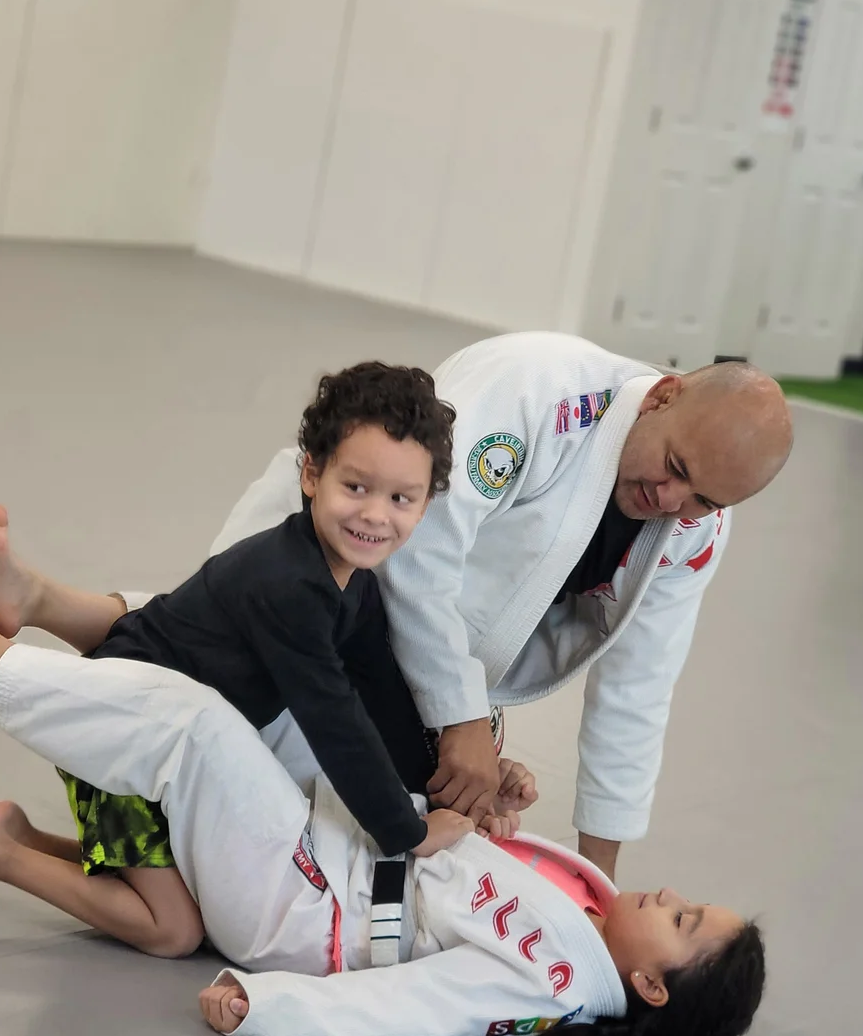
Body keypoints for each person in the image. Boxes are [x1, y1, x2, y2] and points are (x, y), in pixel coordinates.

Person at [0, 557, 764, 1036]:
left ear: (647, 986)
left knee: (196, 729)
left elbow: (413, 1004)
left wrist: (273, 1009)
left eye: (684, 923)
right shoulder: (580, 905)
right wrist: (496, 804)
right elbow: (461, 881)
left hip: (309, 910)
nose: (667, 898)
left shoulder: (558, 979)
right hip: (333, 841)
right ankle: (44, 607)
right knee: (280, 661)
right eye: (690, 902)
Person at [0, 361, 535, 957]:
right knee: (172, 930)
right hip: (118, 744)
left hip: (169, 754)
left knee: (195, 900)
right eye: (356, 487)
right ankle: (2, 852)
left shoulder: (356, 584)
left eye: (402, 499)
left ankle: (23, 838)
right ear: (311, 474)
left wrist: (436, 793)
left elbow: (378, 695)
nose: (376, 514)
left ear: (427, 506)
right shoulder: (289, 585)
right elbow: (335, 722)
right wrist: (411, 832)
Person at [209, 333, 795, 882]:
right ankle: (132, 619)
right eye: (675, 468)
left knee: (379, 838)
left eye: (703, 500)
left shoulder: (698, 525)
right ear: (663, 397)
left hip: (416, 657)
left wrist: (598, 886)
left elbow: (639, 685)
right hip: (318, 570)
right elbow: (417, 545)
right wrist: (459, 719)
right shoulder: (537, 389)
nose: (670, 501)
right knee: (230, 770)